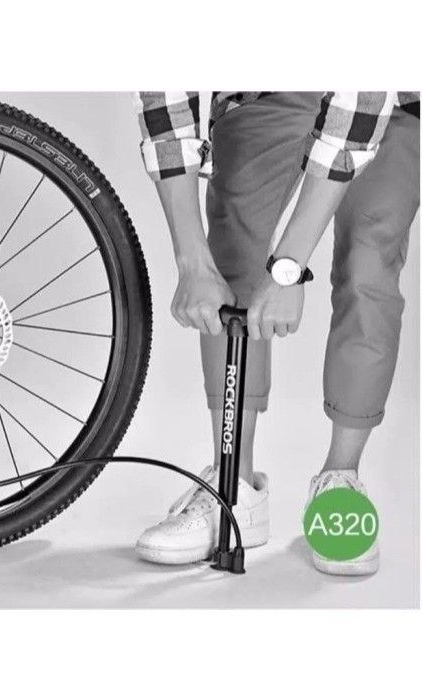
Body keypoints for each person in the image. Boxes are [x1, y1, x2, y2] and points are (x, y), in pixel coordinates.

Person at [134, 91, 420, 575]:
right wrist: (192, 260)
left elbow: (360, 100)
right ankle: (234, 487)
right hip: (266, 89)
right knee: (234, 256)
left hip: (387, 102)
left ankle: (341, 478)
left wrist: (288, 267)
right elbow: (164, 102)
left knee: (367, 272)